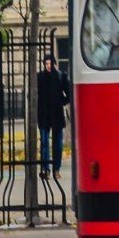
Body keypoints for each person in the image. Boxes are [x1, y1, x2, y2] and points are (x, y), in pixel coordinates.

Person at [35, 52, 71, 182]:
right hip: (43, 114)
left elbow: (69, 94)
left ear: (54, 64)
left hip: (57, 114)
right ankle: (46, 169)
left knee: (57, 145)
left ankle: (56, 169)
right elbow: (35, 95)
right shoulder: (39, 77)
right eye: (46, 63)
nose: (48, 66)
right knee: (44, 142)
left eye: (50, 63)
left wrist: (61, 102)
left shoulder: (61, 77)